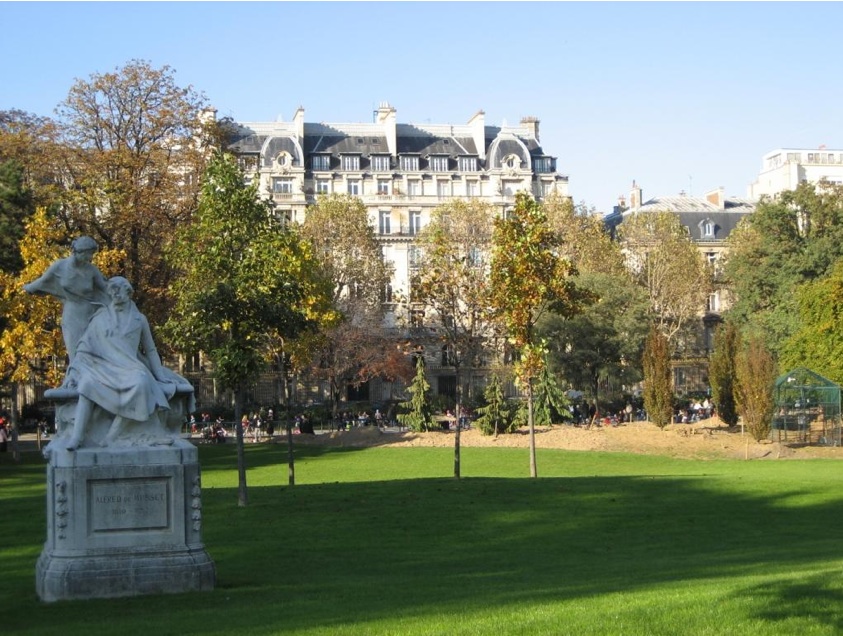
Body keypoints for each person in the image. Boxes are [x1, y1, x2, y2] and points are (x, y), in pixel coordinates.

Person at [64, 276, 193, 450]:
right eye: (111, 290)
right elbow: (85, 346)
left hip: (130, 368)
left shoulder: (139, 319)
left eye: (118, 290)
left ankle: (112, 437)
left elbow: (151, 350)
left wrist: (160, 375)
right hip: (103, 368)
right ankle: (77, 437)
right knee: (87, 384)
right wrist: (75, 370)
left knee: (141, 382)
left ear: (128, 293)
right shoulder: (100, 318)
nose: (114, 294)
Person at [24, 236, 110, 369]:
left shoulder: (91, 270)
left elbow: (105, 288)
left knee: (92, 350)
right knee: (75, 351)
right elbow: (43, 281)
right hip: (72, 314)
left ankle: (92, 378)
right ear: (79, 252)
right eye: (89, 254)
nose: (90, 258)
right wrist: (29, 287)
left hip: (91, 313)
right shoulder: (60, 266)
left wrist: (120, 288)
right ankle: (76, 377)